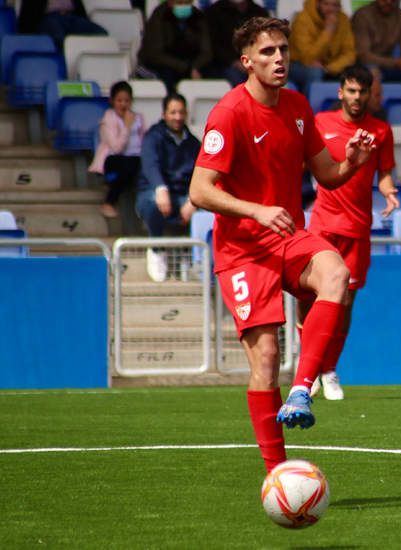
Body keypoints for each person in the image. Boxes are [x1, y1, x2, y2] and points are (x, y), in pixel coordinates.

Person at [188, 17, 376, 473]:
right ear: (246, 62)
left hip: (287, 237)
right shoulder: (229, 113)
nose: (279, 58)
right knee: (266, 358)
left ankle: (302, 389)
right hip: (243, 251)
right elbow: (199, 190)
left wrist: (350, 160)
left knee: (336, 275)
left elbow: (326, 174)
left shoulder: (296, 106)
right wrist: (255, 210)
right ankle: (278, 472)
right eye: (268, 51)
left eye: (284, 50)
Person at [302, 64, 399, 400]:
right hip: (323, 225)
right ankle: (308, 372)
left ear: (371, 94)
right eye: (352, 91)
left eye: (363, 92)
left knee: (343, 305)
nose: (357, 98)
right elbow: (304, 162)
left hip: (358, 229)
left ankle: (328, 369)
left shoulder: (382, 131)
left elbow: (384, 173)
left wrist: (389, 191)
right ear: (341, 92)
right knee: (310, 299)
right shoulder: (321, 123)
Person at [136, 92, 201, 282]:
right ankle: (156, 250)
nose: (177, 117)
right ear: (164, 114)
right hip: (153, 191)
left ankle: (196, 259)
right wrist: (161, 188)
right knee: (153, 204)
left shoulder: (194, 143)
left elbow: (201, 174)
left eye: (181, 112)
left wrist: (193, 200)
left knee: (209, 210)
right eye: (173, 112)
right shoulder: (153, 137)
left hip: (184, 195)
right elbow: (150, 165)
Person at [89, 81, 147, 219]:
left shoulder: (138, 118)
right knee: (129, 166)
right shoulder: (108, 119)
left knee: (136, 165)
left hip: (135, 158)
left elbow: (144, 140)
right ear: (112, 101)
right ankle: (109, 202)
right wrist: (126, 127)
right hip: (113, 159)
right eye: (119, 100)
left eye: (126, 101)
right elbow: (116, 147)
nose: (123, 104)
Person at [351, 0, 401, 96]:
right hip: (364, 65)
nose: (388, 2)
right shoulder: (362, 15)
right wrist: (395, 63)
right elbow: (363, 55)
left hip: (390, 64)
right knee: (373, 73)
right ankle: (374, 108)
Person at [137, 0, 213, 94]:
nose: (183, 6)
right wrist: (186, 69)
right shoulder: (159, 16)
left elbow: (206, 52)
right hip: (164, 66)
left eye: (187, 3)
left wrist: (194, 67)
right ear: (170, 2)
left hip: (192, 64)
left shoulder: (198, 17)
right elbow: (155, 54)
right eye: (180, 3)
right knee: (167, 76)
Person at [288, 0, 356, 93]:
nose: (330, 9)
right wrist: (328, 31)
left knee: (354, 73)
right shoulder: (303, 19)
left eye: (335, 5)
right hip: (298, 65)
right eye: (326, 4)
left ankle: (340, 106)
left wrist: (329, 68)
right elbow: (307, 58)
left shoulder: (343, 19)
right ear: (318, 3)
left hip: (328, 66)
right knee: (315, 73)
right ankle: (310, 106)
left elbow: (349, 53)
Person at [204, 0, 269, 87]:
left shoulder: (260, 13)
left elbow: (265, 42)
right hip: (224, 64)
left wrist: (253, 62)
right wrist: (234, 62)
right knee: (238, 79)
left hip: (254, 62)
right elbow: (213, 45)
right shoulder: (213, 12)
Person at [17, 0, 107, 50]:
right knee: (59, 38)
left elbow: (80, 9)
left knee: (101, 34)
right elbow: (28, 15)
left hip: (71, 17)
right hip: (49, 17)